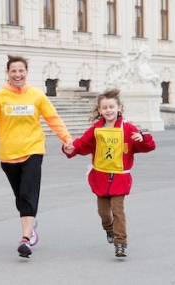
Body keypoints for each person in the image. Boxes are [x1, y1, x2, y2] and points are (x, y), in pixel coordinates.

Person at [0, 55, 73, 258]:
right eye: (13, 71)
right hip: (8, 155)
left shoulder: (37, 95)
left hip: (33, 150)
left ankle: (25, 239)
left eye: (21, 70)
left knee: (27, 194)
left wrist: (66, 138)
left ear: (26, 72)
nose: (17, 74)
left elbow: (53, 118)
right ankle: (31, 224)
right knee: (20, 197)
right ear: (7, 73)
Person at [62, 89, 156, 257]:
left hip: (120, 177)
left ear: (119, 107)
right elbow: (82, 144)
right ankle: (109, 229)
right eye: (104, 107)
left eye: (111, 106)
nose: (108, 110)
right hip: (100, 177)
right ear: (99, 110)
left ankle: (120, 243)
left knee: (118, 210)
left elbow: (146, 146)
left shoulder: (127, 128)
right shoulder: (96, 129)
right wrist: (70, 148)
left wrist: (143, 138)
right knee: (103, 212)